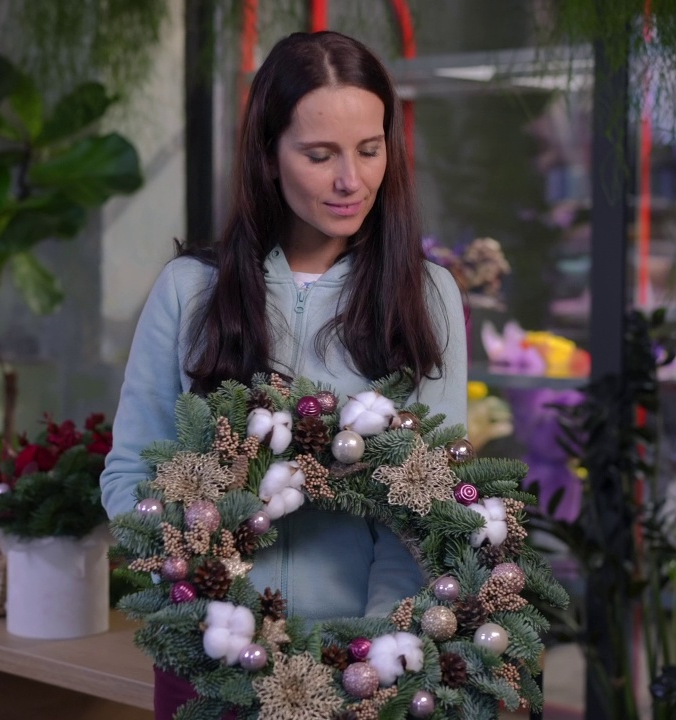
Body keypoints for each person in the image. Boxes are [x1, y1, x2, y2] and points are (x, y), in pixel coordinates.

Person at [100, 30, 467, 719]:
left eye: (369, 149)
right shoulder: (190, 290)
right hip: (211, 658)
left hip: (368, 674)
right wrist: (206, 598)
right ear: (269, 156)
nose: (349, 181)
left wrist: (373, 651)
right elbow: (128, 478)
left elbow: (427, 505)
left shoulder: (428, 295)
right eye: (319, 154)